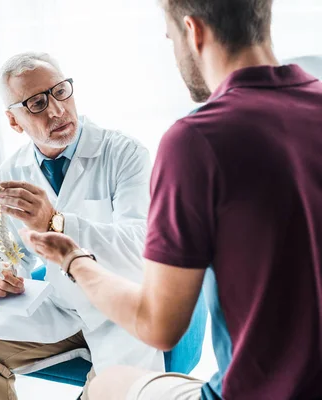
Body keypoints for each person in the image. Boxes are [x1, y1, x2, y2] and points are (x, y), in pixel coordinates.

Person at [19, 0, 322, 399]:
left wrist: (73, 259)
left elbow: (159, 326)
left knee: (107, 385)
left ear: (193, 32)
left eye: (170, 37)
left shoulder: (196, 141)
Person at [0, 52, 163, 400]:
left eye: (60, 92)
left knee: (110, 392)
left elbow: (140, 247)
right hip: (62, 307)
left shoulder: (126, 155)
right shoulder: (11, 171)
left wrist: (55, 221)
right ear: (14, 121)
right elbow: (10, 251)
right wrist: (3, 276)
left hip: (122, 308)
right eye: (36, 103)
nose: (56, 110)